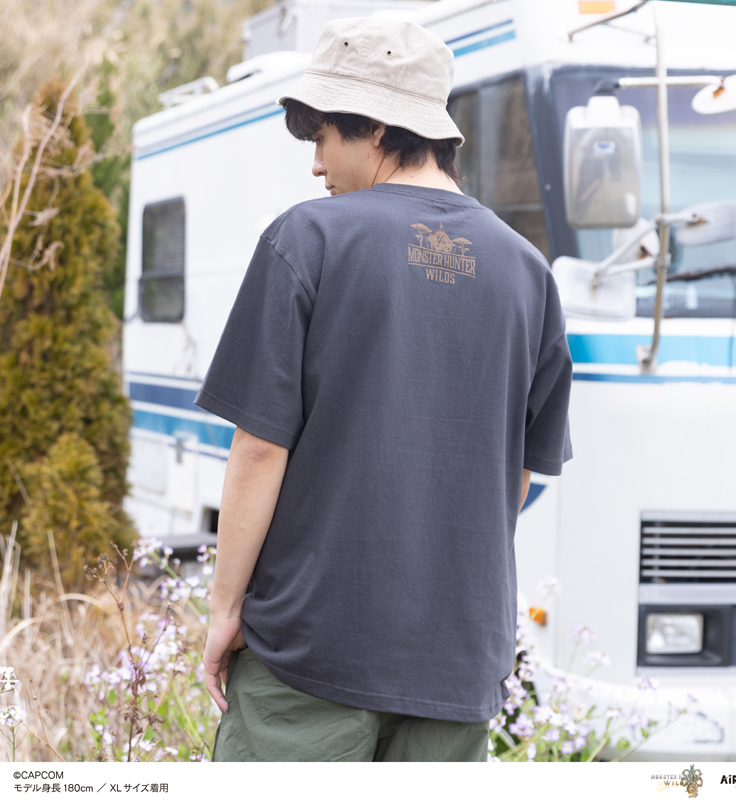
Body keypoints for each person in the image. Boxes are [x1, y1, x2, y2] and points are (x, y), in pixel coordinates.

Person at [194, 16, 573, 763]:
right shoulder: (529, 274)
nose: (315, 165)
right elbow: (518, 476)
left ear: (374, 127)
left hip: (313, 652)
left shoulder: (308, 239)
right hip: (458, 661)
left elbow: (260, 449)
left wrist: (225, 610)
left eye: (322, 136)